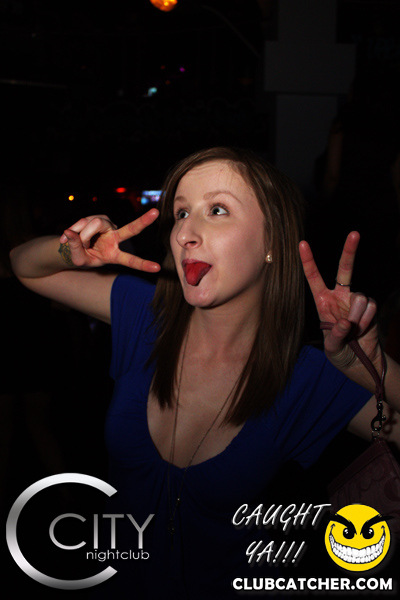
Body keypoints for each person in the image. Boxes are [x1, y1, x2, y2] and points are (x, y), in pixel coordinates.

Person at [10, 147, 400, 598]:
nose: (185, 234)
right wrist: (70, 250)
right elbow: (26, 267)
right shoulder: (147, 318)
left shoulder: (304, 376)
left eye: (217, 210)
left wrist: (373, 367)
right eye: (181, 213)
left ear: (272, 243)